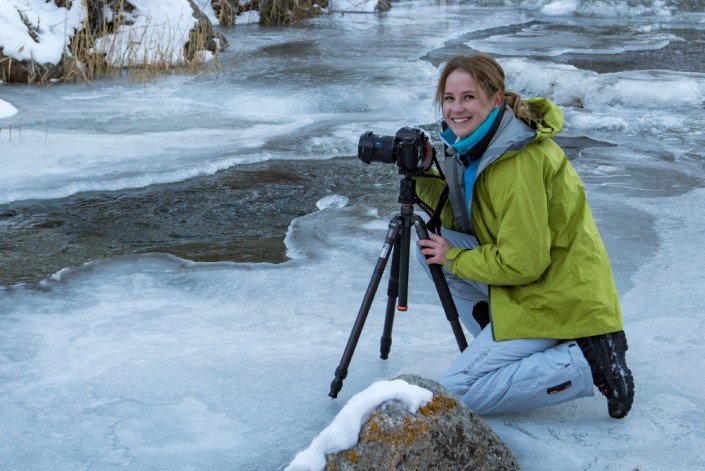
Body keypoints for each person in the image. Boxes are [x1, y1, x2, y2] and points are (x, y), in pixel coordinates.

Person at [414, 53, 634, 418]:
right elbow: (462, 225)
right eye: (449, 98)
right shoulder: (475, 146)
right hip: (536, 277)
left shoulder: (515, 160)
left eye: (468, 97)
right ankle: (508, 338)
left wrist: (454, 256)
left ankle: (583, 360)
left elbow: (524, 262)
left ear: (495, 99)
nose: (456, 108)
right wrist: (424, 172)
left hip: (556, 294)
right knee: (429, 250)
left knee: (455, 395)